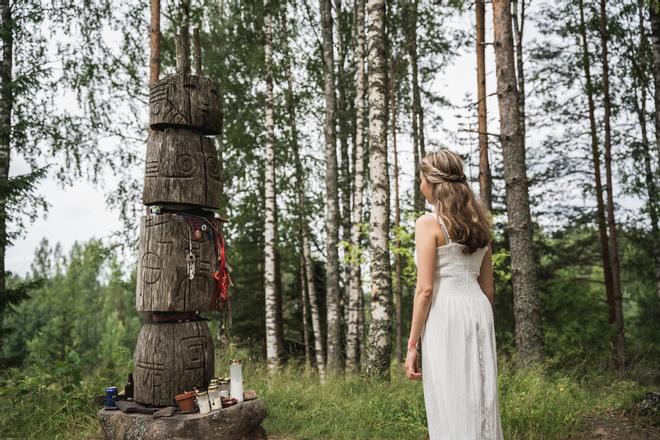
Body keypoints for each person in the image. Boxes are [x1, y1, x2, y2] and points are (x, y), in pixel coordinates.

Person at [405, 149, 504, 439]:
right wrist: (478, 316)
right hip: (478, 308)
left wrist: (413, 344)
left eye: (421, 179)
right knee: (481, 393)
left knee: (451, 394)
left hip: (445, 312)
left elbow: (424, 290)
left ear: (432, 182)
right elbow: (488, 288)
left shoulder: (428, 224)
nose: (420, 185)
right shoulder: (479, 222)